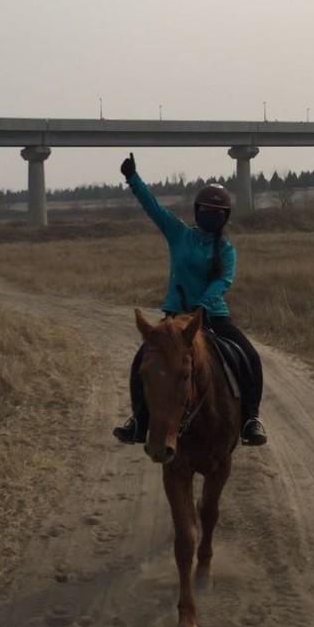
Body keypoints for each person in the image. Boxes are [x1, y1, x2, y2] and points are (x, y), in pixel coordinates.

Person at [113, 152, 267, 447]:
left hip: (213, 317)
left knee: (250, 358)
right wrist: (133, 179)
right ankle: (138, 422)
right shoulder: (178, 234)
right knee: (141, 363)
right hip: (175, 318)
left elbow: (224, 281)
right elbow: (154, 208)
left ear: (225, 217)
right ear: (197, 212)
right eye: (206, 210)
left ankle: (251, 419)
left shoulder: (226, 249)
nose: (211, 216)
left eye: (217, 212)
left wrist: (202, 306)